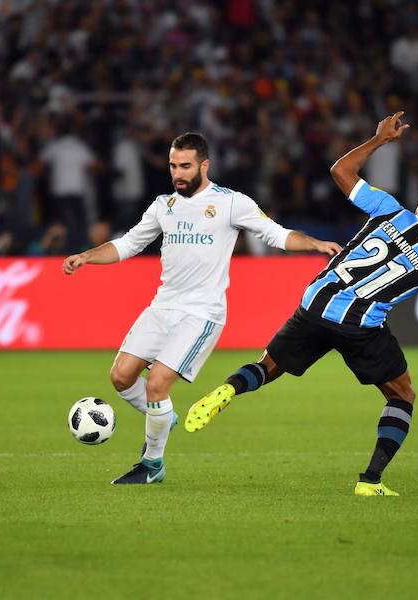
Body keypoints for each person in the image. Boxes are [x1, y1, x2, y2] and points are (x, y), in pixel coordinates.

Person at [185, 113, 418, 497]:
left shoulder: (389, 209)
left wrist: (378, 140)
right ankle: (370, 481)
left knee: (267, 367)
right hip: (361, 325)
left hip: (316, 301)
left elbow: (340, 170)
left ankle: (227, 390)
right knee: (402, 394)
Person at [63, 132, 341, 485]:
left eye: (185, 166)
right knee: (120, 377)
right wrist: (86, 256)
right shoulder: (163, 205)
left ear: (204, 165)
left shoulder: (230, 202)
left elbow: (276, 233)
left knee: (158, 385)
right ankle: (162, 416)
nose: (177, 173)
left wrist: (314, 243)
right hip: (163, 306)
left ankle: (152, 465)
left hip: (202, 313)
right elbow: (129, 244)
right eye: (172, 166)